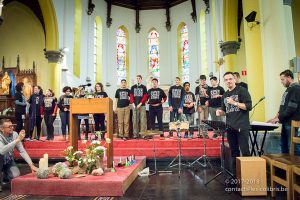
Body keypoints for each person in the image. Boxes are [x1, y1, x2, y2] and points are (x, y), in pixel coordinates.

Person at [216, 72, 252, 177]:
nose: (228, 81)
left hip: (241, 125)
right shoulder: (225, 95)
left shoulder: (242, 91)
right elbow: (224, 110)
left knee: (245, 151)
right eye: (226, 80)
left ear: (234, 79)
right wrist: (220, 112)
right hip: (230, 126)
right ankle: (237, 176)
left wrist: (234, 103)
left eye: (230, 79)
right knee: (234, 152)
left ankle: (248, 177)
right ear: (224, 81)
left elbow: (248, 106)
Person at [268, 69, 300, 155]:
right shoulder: (288, 90)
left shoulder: (296, 89)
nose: (281, 82)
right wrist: (275, 118)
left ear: (289, 77)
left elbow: (291, 108)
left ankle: (296, 167)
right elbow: (283, 107)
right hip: (286, 122)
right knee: (284, 146)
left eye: (282, 79)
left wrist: (278, 118)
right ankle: (285, 168)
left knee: (293, 148)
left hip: (292, 124)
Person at [0, 119, 37, 191]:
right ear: (2, 128)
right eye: (9, 127)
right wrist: (17, 140)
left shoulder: (15, 134)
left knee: (15, 175)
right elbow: (2, 151)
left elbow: (21, 150)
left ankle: (5, 176)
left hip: (8, 161)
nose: (12, 128)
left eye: (12, 126)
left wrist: (31, 164)